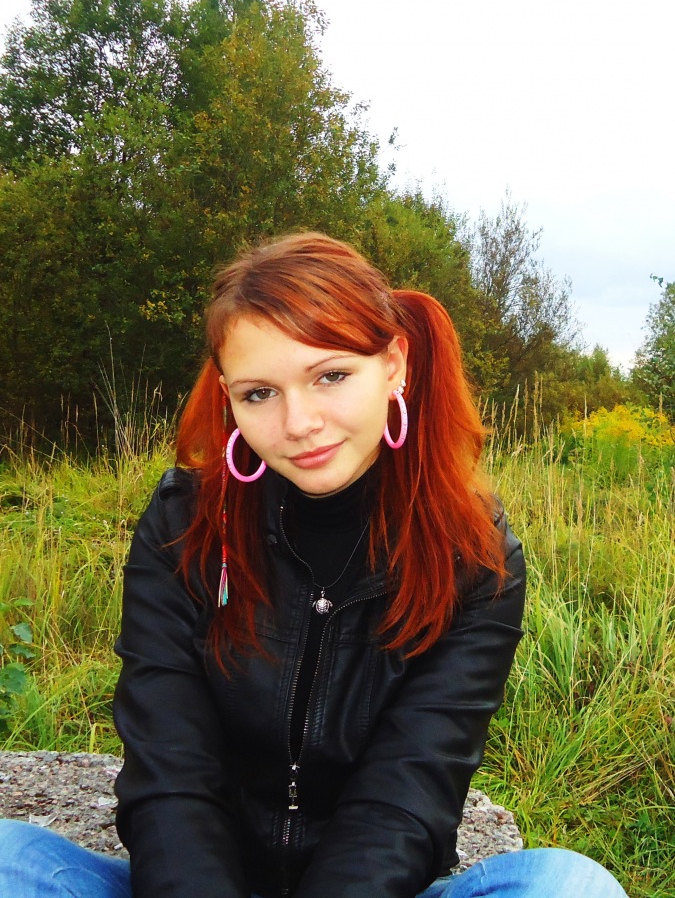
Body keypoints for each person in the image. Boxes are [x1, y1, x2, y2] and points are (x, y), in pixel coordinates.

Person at [0, 232, 627, 898]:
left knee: (568, 884)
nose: (297, 423)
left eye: (330, 376)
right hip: (201, 884)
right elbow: (170, 768)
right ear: (228, 397)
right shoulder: (184, 526)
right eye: (259, 393)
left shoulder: (471, 556)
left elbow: (410, 789)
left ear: (394, 365)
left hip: (371, 887)